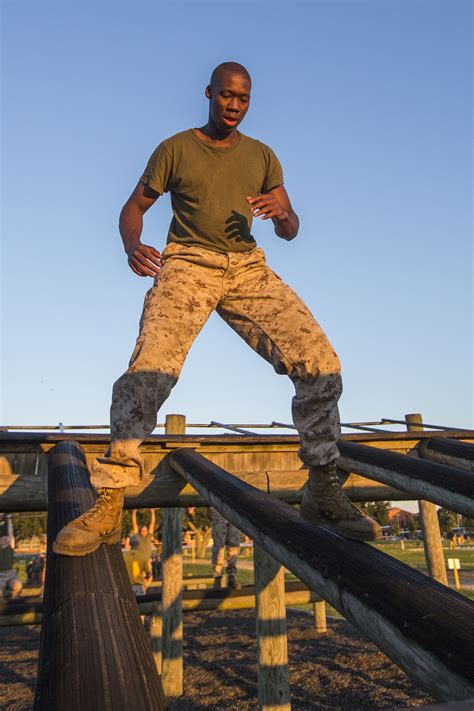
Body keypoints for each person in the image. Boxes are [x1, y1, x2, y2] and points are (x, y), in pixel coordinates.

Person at [53, 61, 381, 557]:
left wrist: (284, 215)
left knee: (321, 365)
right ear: (209, 93)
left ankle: (321, 487)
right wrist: (130, 244)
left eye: (243, 98)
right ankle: (110, 501)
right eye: (226, 95)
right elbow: (134, 207)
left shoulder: (263, 157)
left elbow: (291, 228)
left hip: (248, 267)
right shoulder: (175, 149)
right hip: (188, 263)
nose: (234, 105)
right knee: (149, 370)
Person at [210, 508, 242, 589]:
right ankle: (217, 577)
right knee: (218, 546)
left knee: (234, 545)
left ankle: (231, 576)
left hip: (235, 510)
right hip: (217, 509)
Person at [0, 515, 23, 598]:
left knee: (19, 587)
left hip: (11, 573)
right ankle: (5, 595)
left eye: (7, 538)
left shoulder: (11, 547)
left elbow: (11, 533)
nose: (6, 539)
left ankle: (11, 602)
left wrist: (9, 520)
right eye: (3, 538)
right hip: (0, 575)